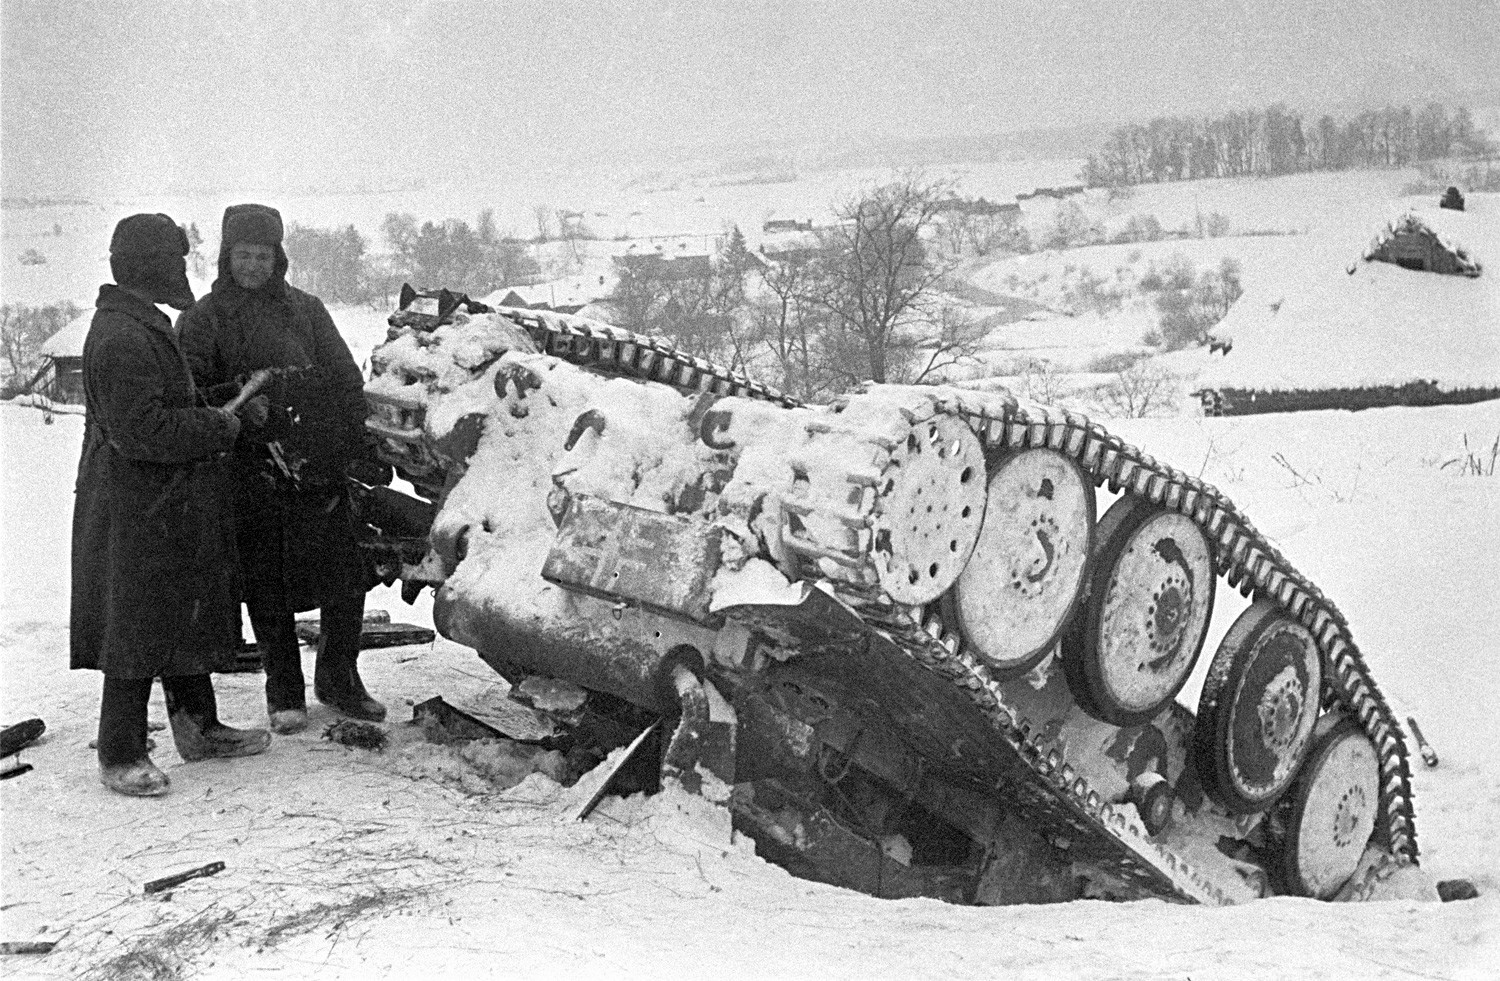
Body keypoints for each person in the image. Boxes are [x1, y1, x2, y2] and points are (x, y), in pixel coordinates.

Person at [72, 213, 271, 797]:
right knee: (134, 626)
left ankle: (198, 728)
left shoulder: (140, 324)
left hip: (160, 502)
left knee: (179, 612)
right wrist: (220, 424)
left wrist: (219, 401)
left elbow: (164, 402)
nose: (183, 271)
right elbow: (141, 430)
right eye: (176, 261)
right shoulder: (122, 335)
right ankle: (120, 752)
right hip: (136, 508)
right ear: (149, 265)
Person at [178, 204, 389, 735]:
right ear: (227, 258)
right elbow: (189, 394)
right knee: (267, 584)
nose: (253, 265)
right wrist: (240, 401)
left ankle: (339, 678)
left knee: (347, 575)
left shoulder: (307, 310)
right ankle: (284, 691)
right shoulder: (204, 319)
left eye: (263, 255)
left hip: (318, 464)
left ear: (279, 258)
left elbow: (344, 379)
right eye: (243, 255)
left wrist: (352, 443)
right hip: (250, 472)